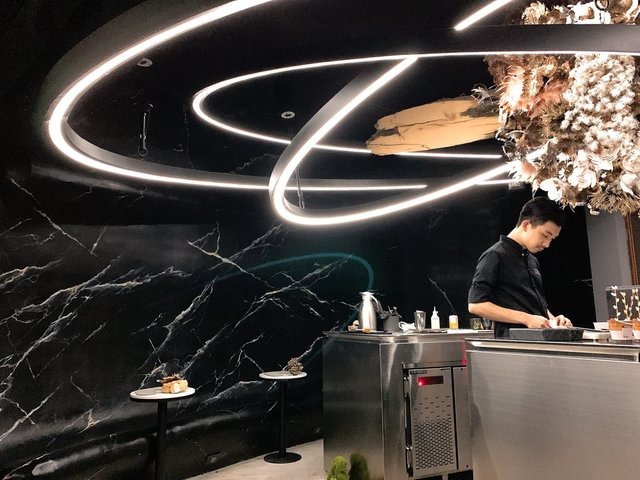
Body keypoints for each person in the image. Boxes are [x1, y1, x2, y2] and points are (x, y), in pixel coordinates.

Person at [468, 196, 572, 338]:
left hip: (539, 343)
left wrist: (553, 320)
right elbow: (475, 305)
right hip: (513, 345)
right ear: (526, 225)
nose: (547, 244)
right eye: (545, 235)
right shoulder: (494, 256)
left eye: (551, 239)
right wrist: (526, 319)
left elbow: (532, 306)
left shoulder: (532, 260)